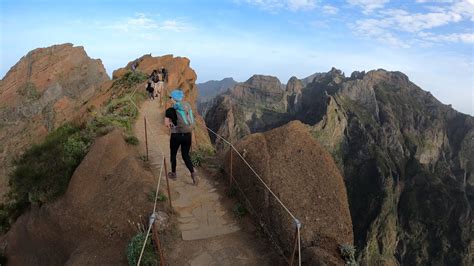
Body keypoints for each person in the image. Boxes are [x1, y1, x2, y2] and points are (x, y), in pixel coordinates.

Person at [164, 89, 198, 185]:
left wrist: (171, 124)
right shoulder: (187, 107)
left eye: (171, 97)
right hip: (187, 135)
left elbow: (166, 124)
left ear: (174, 99)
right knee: (185, 155)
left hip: (176, 135)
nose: (170, 99)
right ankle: (193, 173)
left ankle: (173, 173)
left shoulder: (170, 110)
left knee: (173, 154)